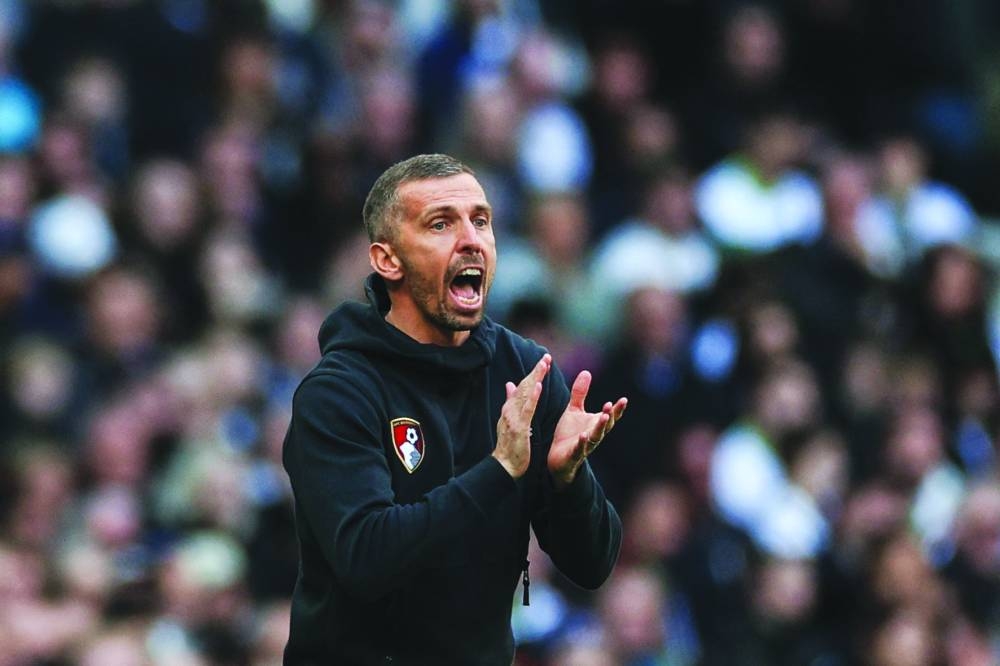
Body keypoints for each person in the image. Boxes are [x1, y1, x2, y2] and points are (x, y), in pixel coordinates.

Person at [281, 153, 627, 665]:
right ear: (388, 260)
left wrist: (568, 480)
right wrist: (499, 471)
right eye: (441, 223)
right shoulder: (338, 393)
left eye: (481, 221)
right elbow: (366, 558)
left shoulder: (526, 371)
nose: (471, 239)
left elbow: (593, 565)